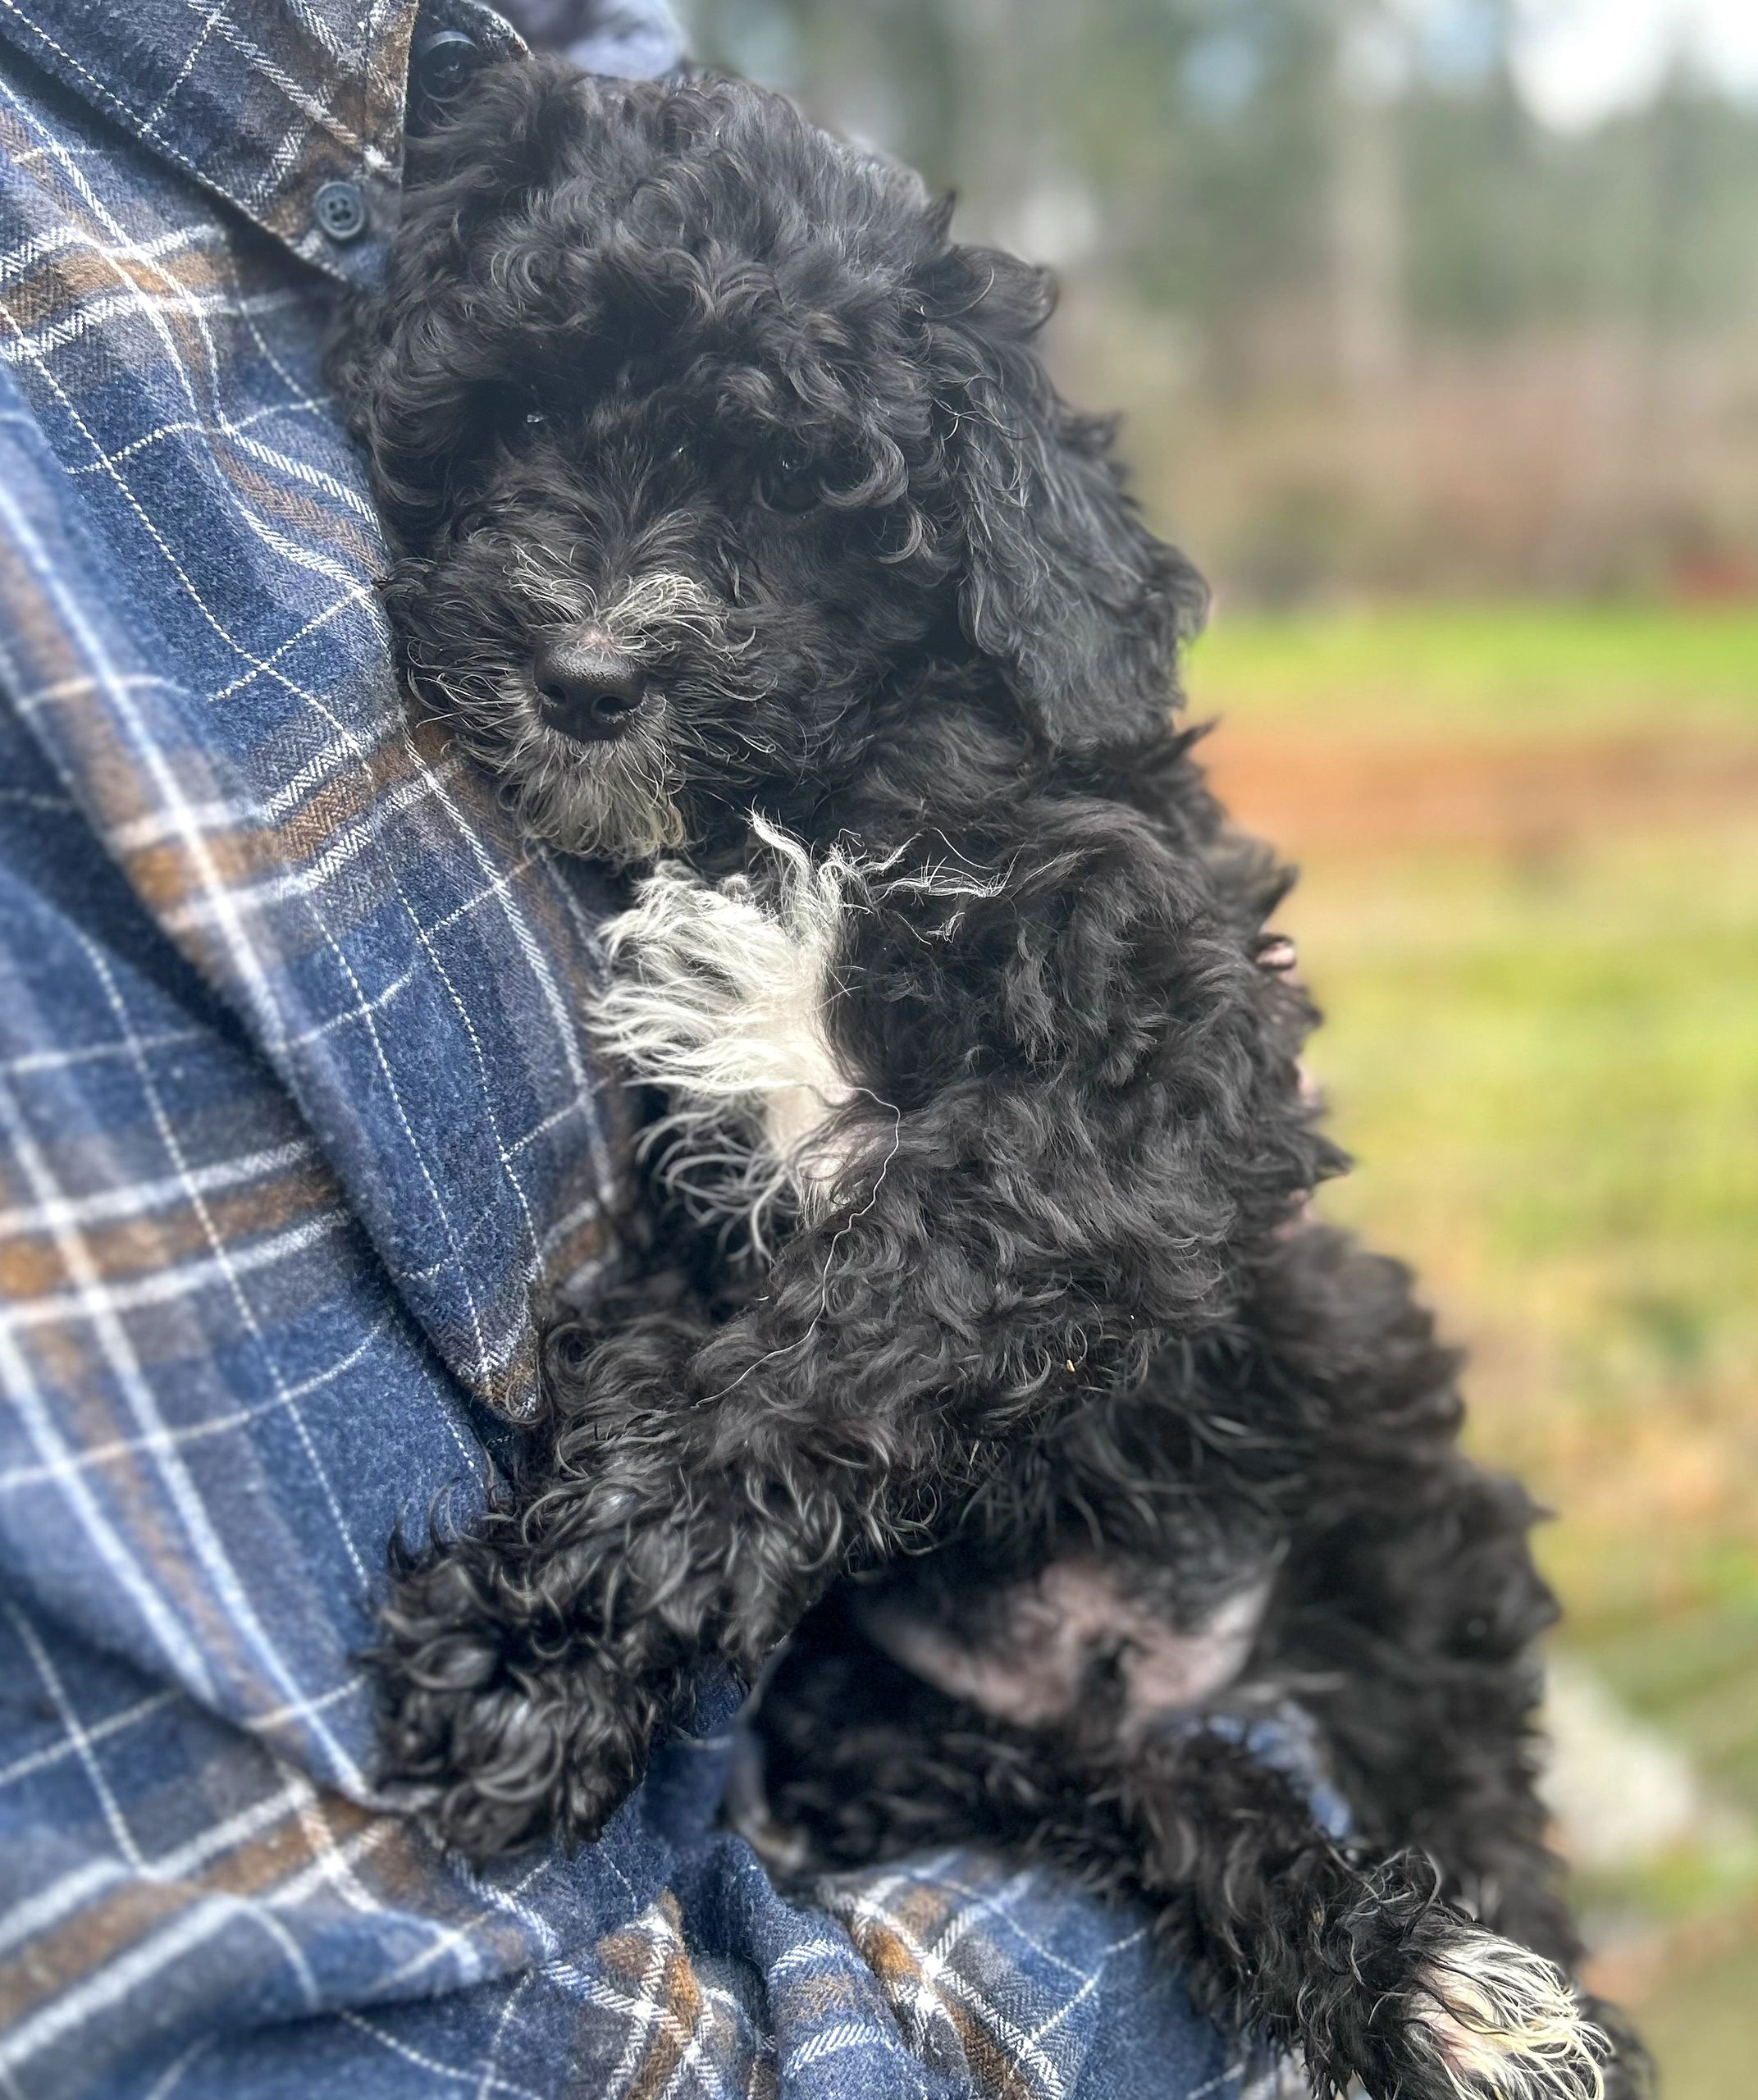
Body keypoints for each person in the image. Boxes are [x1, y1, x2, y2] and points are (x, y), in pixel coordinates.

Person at [0, 2, 1292, 2091]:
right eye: (524, 449)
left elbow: (1168, 1128)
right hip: (889, 1747)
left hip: (1251, 1529)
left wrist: (675, 1520)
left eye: (766, 504)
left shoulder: (993, 820)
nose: (603, 616)